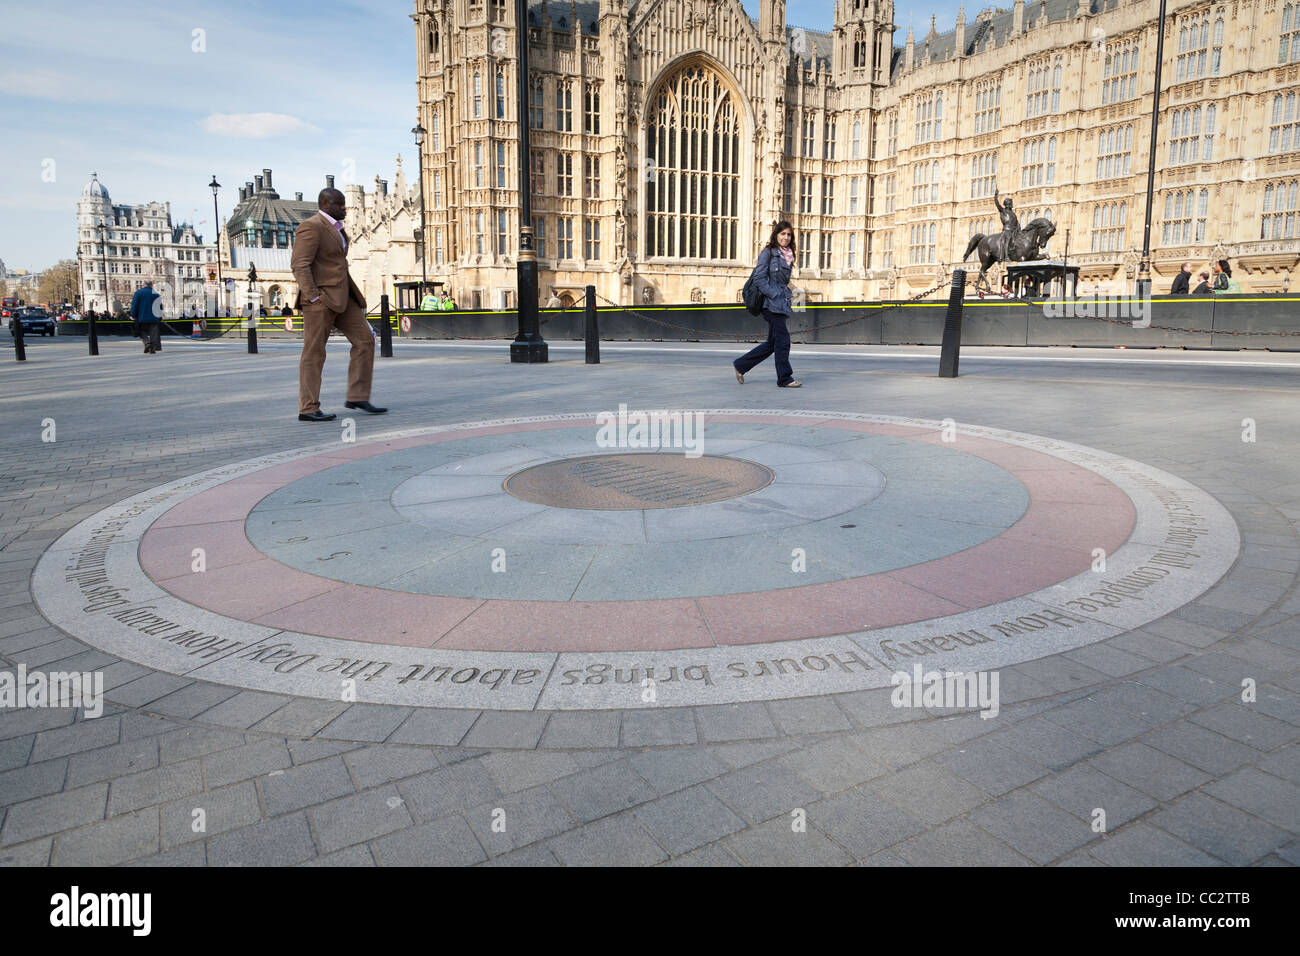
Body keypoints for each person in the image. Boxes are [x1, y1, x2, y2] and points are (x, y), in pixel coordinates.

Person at [290, 186, 387, 422]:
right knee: (314, 353)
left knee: (365, 340)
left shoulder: (337, 229)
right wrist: (314, 296)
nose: (345, 208)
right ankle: (308, 408)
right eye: (339, 204)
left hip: (345, 298)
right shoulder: (311, 227)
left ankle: (357, 395)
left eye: (344, 204)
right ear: (325, 204)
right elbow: (299, 264)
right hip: (321, 301)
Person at [733, 221, 801, 388]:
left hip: (781, 304)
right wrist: (774, 294)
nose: (785, 237)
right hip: (769, 304)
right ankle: (784, 378)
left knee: (773, 343)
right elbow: (759, 277)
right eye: (782, 234)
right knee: (783, 340)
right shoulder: (768, 253)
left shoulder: (789, 255)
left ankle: (741, 365)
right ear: (776, 235)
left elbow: (783, 282)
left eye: (788, 234)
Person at [129, 280, 162, 353]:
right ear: (151, 285)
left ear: (143, 285)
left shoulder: (138, 293)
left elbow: (134, 305)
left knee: (141, 331)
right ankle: (152, 348)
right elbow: (160, 307)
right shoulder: (156, 294)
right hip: (154, 317)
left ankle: (147, 343)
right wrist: (159, 317)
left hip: (142, 317)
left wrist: (133, 314)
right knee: (153, 334)